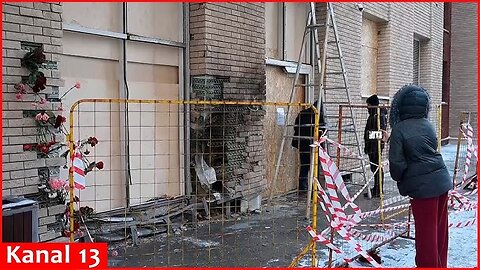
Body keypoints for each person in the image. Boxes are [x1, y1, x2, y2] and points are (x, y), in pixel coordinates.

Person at [388, 84, 452, 268]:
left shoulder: (399, 129)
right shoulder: (428, 125)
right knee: (440, 233)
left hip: (423, 189)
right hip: (441, 181)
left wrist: (400, 178)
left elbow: (397, 164)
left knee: (426, 236)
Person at [292, 101, 326, 192]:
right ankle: (314, 188)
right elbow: (322, 131)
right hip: (314, 145)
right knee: (315, 167)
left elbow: (296, 127)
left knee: (304, 166)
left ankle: (303, 186)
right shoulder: (318, 115)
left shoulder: (302, 113)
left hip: (302, 143)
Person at [363, 94, 388, 198]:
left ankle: (378, 190)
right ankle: (377, 189)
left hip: (375, 146)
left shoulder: (378, 115)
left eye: (368, 105)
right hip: (372, 145)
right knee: (375, 167)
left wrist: (370, 140)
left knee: (376, 167)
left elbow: (380, 132)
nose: (367, 107)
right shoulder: (374, 115)